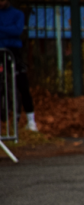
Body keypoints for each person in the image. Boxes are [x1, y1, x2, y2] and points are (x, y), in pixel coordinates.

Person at [0, 0, 37, 131]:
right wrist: (8, 30)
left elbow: (17, 30)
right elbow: (12, 30)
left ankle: (31, 121)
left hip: (13, 51)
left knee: (22, 83)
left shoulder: (17, 14)